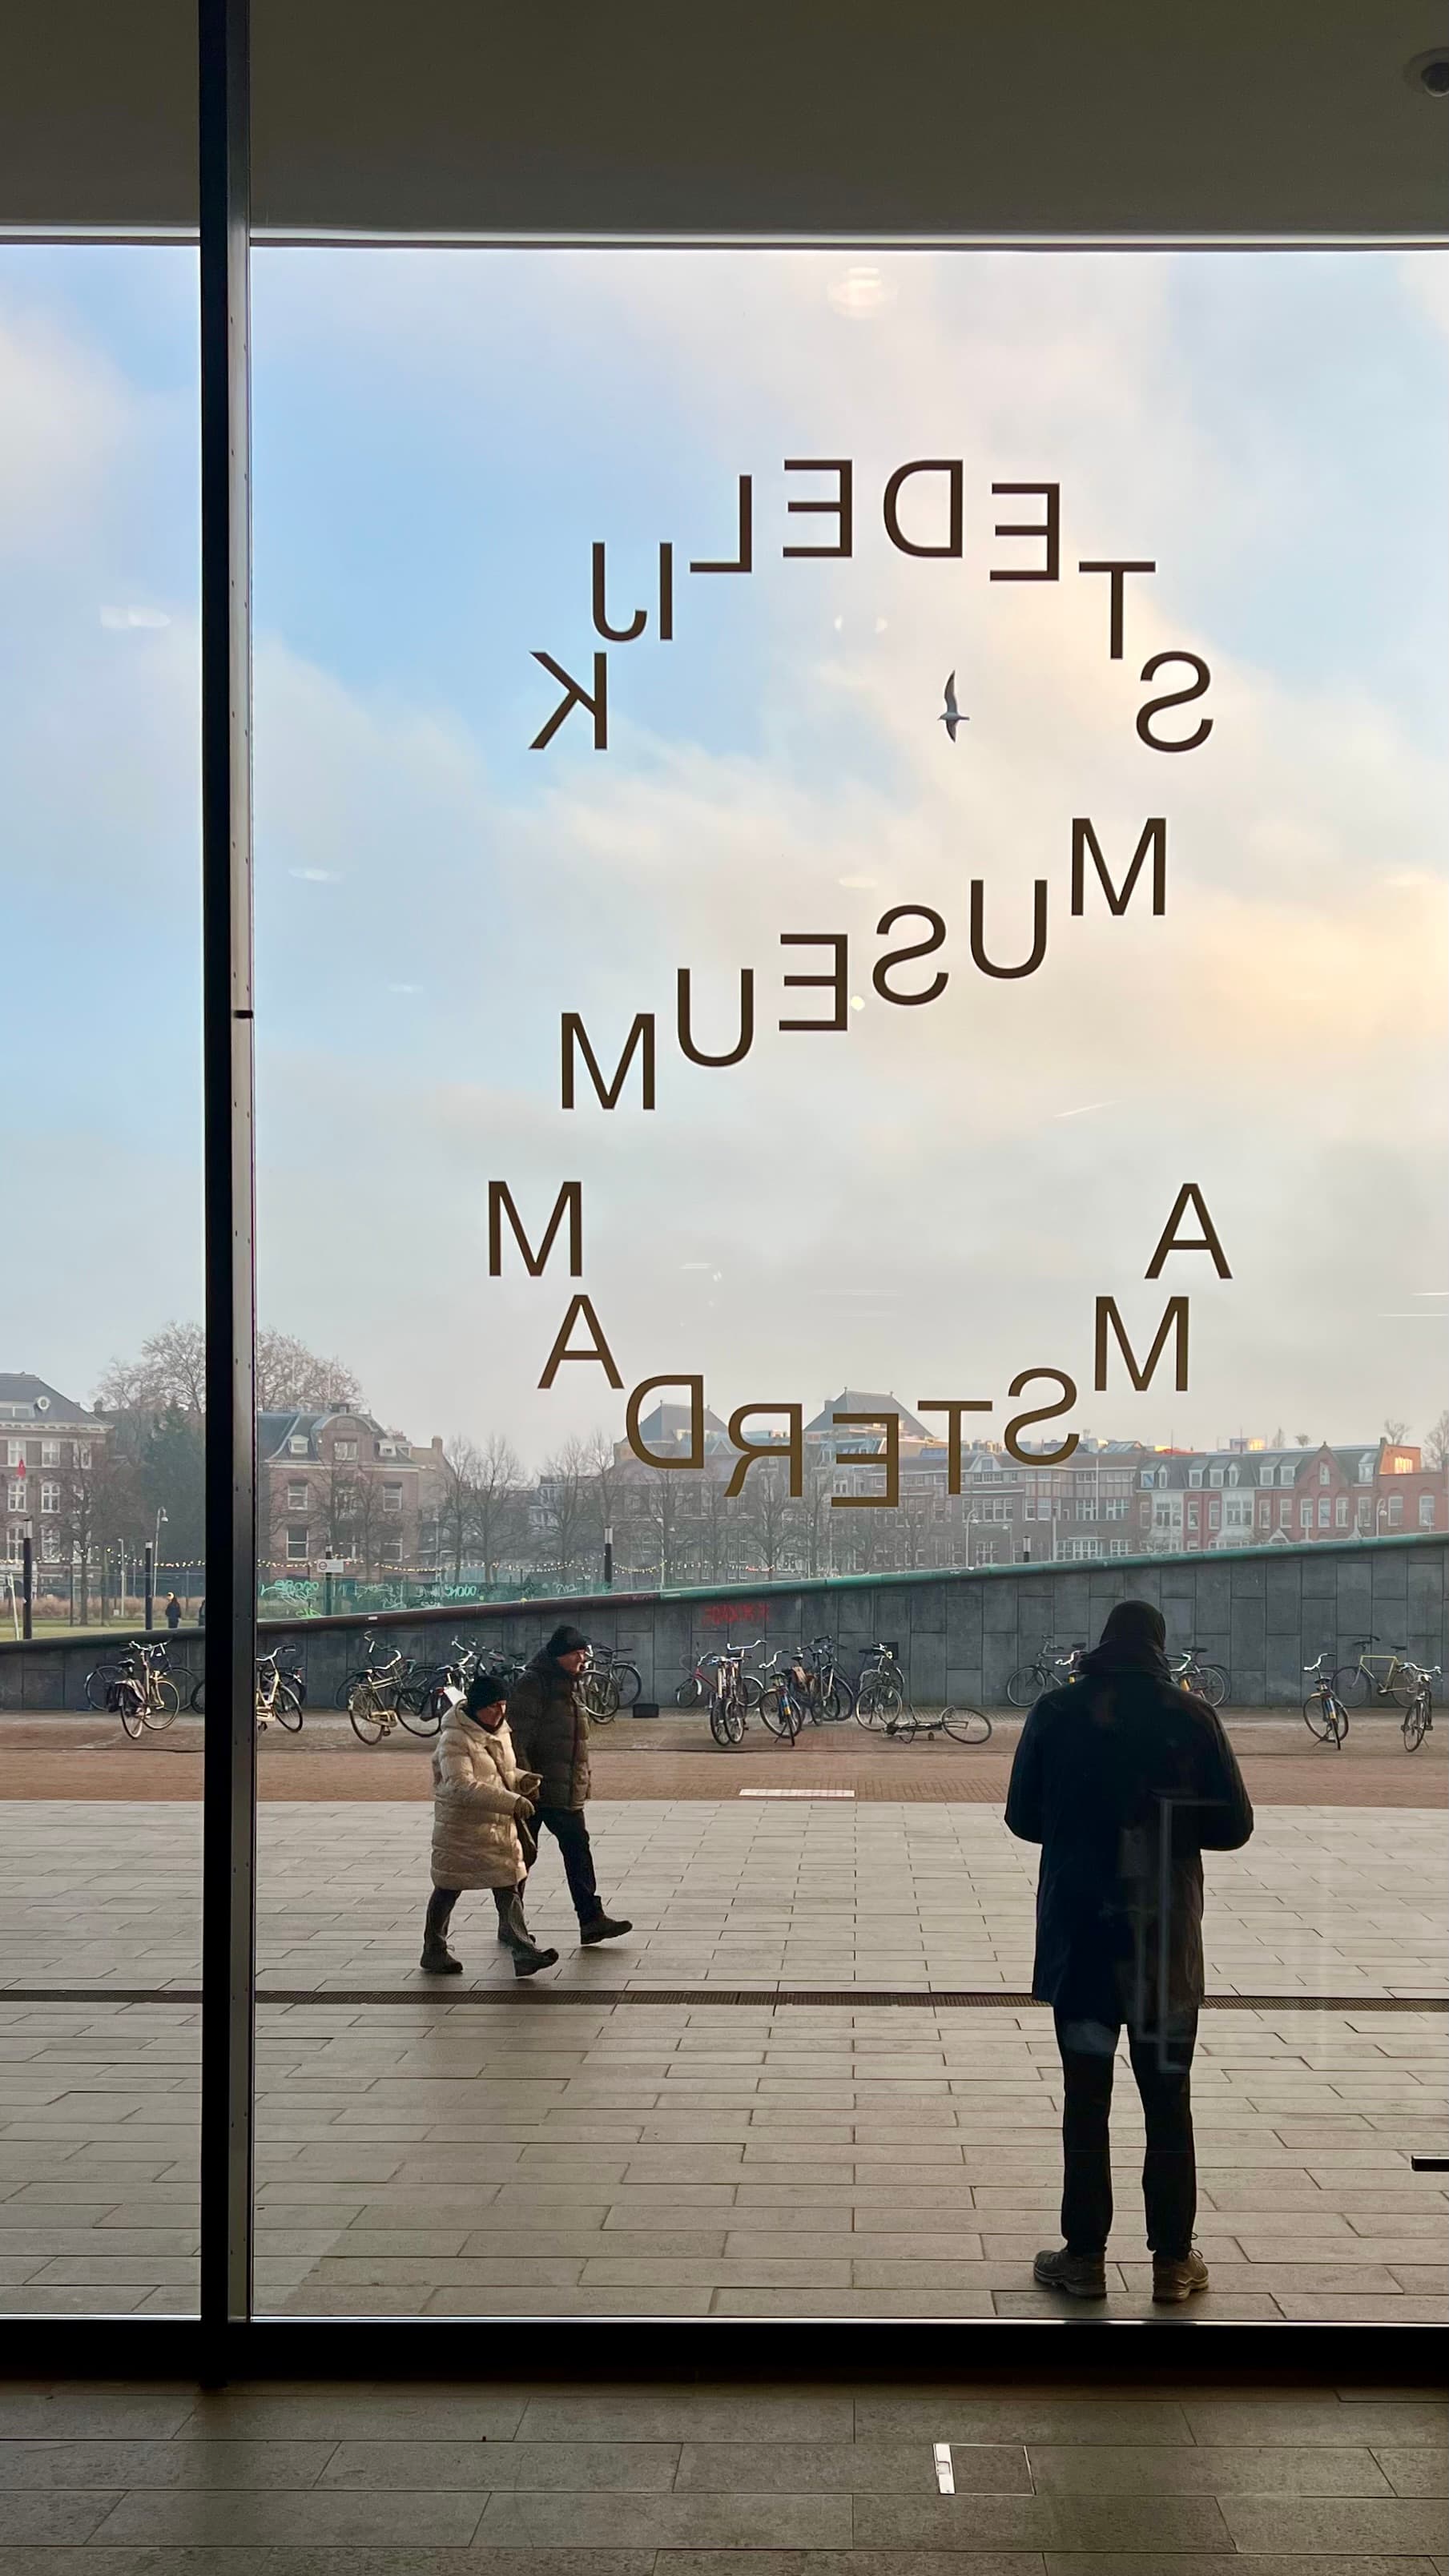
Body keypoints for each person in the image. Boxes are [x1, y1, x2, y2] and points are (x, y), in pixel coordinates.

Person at [1005, 1598, 1253, 2305]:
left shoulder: (1054, 1711)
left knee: (1085, 2101)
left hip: (1081, 1935)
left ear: (1103, 1643)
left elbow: (1022, 1817)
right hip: (1162, 1943)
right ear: (1158, 1647)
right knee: (1168, 2101)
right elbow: (1233, 1827)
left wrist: (1081, 1822)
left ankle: (1083, 2257)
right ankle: (1172, 2262)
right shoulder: (1191, 1715)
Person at [421, 1668, 558, 1978]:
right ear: (477, 1706)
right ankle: (434, 1949)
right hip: (461, 1828)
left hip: (497, 1827)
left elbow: (500, 1773)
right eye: (493, 1706)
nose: (500, 1712)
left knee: (508, 1885)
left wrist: (522, 1780)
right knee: (448, 1886)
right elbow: (460, 1785)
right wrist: (512, 1801)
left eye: (503, 1705)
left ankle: (523, 1951)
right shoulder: (455, 1739)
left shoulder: (501, 1732)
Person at [505, 1624, 631, 1947]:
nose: (582, 1659)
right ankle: (511, 1925)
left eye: (583, 1653)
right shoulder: (534, 1683)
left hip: (564, 1789)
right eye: (576, 1654)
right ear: (559, 1655)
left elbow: (575, 1740)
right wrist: (525, 1781)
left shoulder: (571, 1684)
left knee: (577, 1850)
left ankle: (591, 1920)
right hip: (536, 1790)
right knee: (522, 1858)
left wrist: (582, 1779)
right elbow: (517, 1737)